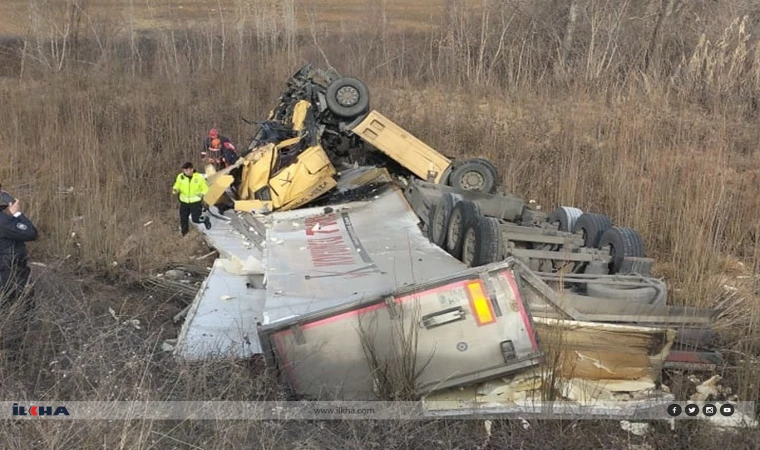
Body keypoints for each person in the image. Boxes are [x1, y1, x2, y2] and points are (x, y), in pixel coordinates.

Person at [0, 188, 38, 311]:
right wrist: (17, 214)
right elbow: (31, 233)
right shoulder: (3, 222)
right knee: (23, 311)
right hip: (10, 273)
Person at [172, 162, 212, 236]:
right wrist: (175, 189)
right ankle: (185, 234)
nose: (185, 172)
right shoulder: (180, 177)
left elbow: (205, 188)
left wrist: (202, 193)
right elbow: (177, 185)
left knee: (195, 219)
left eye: (187, 170)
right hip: (184, 201)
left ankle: (205, 219)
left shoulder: (199, 177)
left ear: (192, 169)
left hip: (195, 202)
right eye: (184, 170)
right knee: (183, 218)